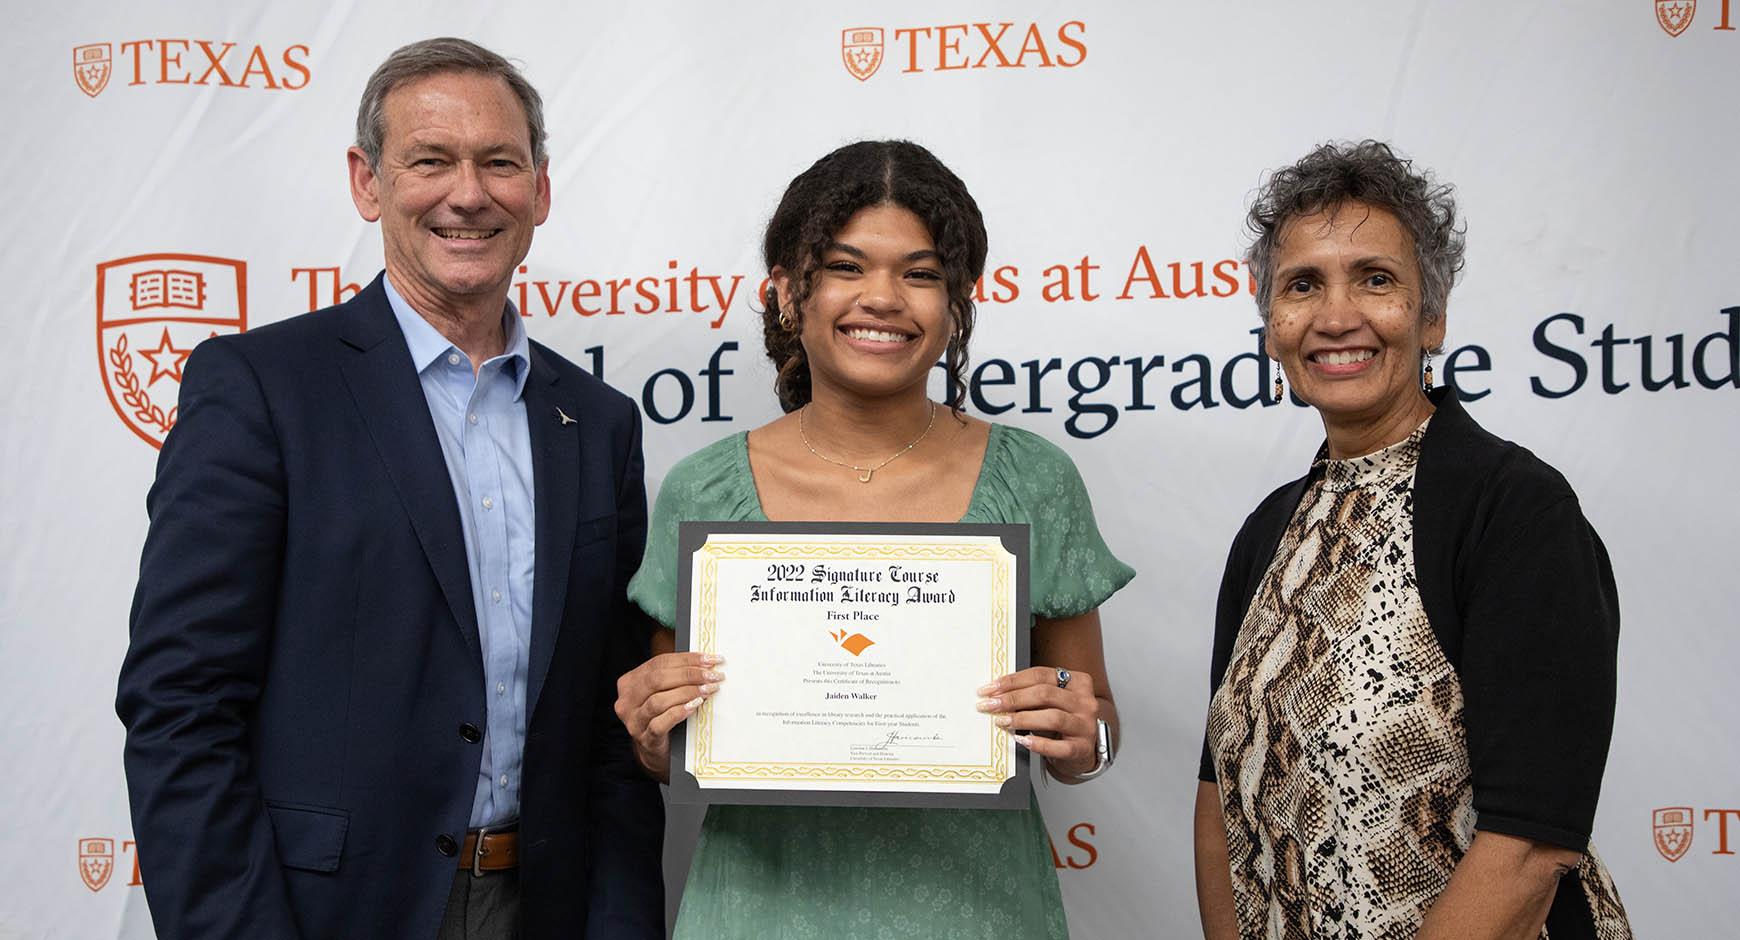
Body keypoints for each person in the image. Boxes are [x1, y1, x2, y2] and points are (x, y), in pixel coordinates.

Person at [116, 38, 662, 940]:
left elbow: (607, 721)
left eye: (500, 163)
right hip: (320, 912)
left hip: (547, 909)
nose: (469, 194)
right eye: (431, 161)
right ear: (368, 182)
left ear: (542, 188)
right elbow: (181, 707)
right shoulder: (261, 388)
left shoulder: (597, 421)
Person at [612, 139, 1134, 938]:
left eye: (921, 274)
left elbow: (1094, 728)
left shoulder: (1033, 480)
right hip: (759, 913)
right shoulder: (705, 491)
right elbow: (669, 752)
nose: (883, 298)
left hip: (978, 913)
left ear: (959, 301)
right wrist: (651, 730)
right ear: (787, 292)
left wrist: (1077, 736)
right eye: (847, 267)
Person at [1194, 141, 1632, 940]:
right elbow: (1218, 798)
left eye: (1375, 278)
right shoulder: (1267, 533)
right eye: (1302, 285)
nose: (1335, 316)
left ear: (1430, 315)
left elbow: (1532, 846)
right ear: (1271, 328)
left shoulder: (1517, 512)